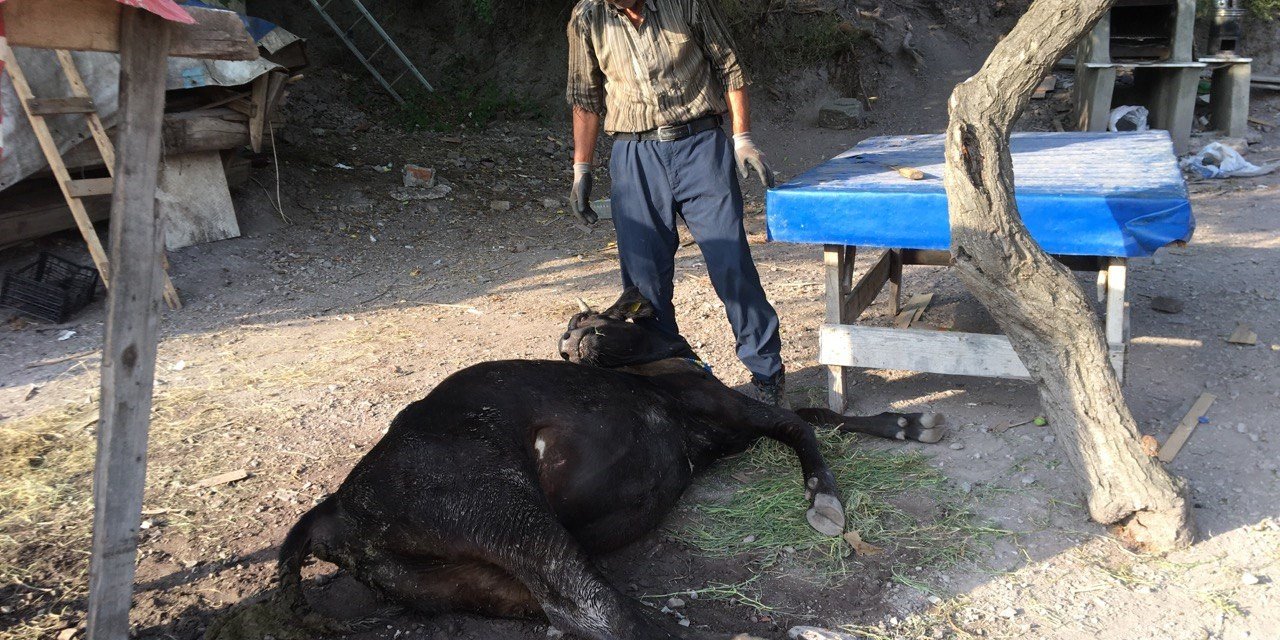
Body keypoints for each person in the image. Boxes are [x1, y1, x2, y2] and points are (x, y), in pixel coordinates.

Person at [565, 0, 789, 406]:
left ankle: (767, 375)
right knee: (643, 284)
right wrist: (582, 168)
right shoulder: (588, 17)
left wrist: (742, 139)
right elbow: (586, 97)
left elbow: (730, 67)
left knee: (731, 263)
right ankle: (669, 378)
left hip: (700, 145)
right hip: (634, 155)